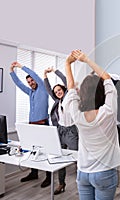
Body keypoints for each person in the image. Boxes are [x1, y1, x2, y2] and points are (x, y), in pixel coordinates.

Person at [63, 50, 120, 200]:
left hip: (83, 172)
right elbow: (107, 78)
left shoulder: (77, 115)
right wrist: (86, 60)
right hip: (104, 172)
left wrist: (67, 63)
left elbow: (70, 86)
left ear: (82, 93)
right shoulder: (108, 112)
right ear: (102, 92)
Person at [10, 61, 51, 188]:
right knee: (33, 150)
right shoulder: (30, 93)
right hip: (32, 125)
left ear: (36, 80)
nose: (31, 83)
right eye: (29, 82)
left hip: (43, 124)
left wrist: (21, 67)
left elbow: (33, 74)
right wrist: (11, 72)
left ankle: (49, 177)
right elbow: (19, 84)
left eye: (32, 81)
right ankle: (34, 173)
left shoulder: (43, 88)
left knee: (45, 152)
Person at [44, 67, 79, 195]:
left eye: (59, 90)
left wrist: (55, 71)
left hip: (71, 131)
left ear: (64, 89)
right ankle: (61, 183)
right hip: (60, 131)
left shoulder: (70, 97)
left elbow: (66, 79)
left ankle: (81, 183)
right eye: (56, 91)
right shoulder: (57, 102)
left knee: (77, 158)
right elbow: (48, 90)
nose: (58, 92)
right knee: (60, 158)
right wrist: (44, 76)